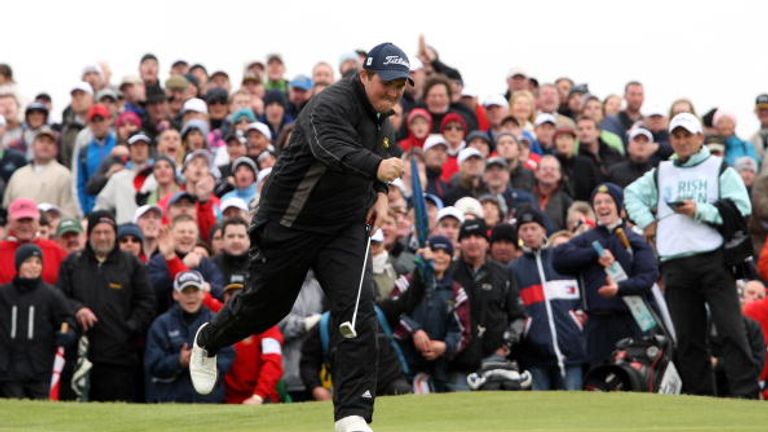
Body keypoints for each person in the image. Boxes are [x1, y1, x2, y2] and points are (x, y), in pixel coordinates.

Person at [190, 42, 409, 432]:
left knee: (358, 311)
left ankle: (352, 414)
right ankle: (209, 339)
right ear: (364, 76)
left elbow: (382, 153)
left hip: (343, 228)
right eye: (387, 84)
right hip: (290, 223)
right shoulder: (329, 105)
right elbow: (332, 149)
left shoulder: (383, 119)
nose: (393, 93)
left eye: (400, 86)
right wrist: (378, 169)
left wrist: (380, 196)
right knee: (265, 308)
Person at [624, 113, 759, 398]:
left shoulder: (719, 167)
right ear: (672, 139)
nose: (682, 141)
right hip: (674, 263)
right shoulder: (661, 171)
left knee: (731, 332)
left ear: (700, 138)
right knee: (687, 339)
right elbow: (631, 195)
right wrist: (646, 222)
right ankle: (701, 399)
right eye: (677, 136)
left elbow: (741, 207)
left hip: (714, 260)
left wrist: (699, 210)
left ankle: (747, 397)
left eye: (688, 135)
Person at [552, 183, 658, 367]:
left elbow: (647, 277)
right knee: (599, 378)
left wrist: (619, 288)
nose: (602, 206)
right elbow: (559, 258)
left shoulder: (634, 239)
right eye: (598, 202)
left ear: (619, 207)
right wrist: (594, 254)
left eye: (608, 201)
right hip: (597, 322)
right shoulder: (586, 239)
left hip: (631, 319)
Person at [57, 210, 156, 401]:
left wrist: (129, 328)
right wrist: (77, 309)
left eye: (107, 232)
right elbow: (60, 298)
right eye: (97, 232)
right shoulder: (73, 263)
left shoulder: (131, 264)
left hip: (119, 359)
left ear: (114, 234)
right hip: (78, 354)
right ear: (89, 235)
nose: (103, 237)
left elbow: (146, 302)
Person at [379, 235, 471, 392]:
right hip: (404, 364)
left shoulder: (457, 292)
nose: (440, 256)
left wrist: (444, 346)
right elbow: (390, 314)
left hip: (441, 367)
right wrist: (414, 330)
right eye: (435, 251)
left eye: (445, 252)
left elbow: (463, 331)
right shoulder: (405, 283)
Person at [509, 208, 586, 390]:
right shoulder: (514, 269)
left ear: (543, 230)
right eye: (524, 229)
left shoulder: (561, 259)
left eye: (533, 228)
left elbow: (582, 293)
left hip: (571, 350)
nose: (529, 233)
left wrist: (579, 319)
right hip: (535, 355)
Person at [145, 270, 234, 403]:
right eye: (186, 291)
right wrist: (179, 361)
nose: (191, 296)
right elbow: (152, 364)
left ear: (203, 293)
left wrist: (201, 362)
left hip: (208, 400)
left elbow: (227, 355)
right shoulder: (161, 324)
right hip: (170, 400)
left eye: (195, 290)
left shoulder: (216, 322)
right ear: (175, 294)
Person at [0, 244, 75, 399]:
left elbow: (67, 320)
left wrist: (67, 334)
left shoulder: (52, 295)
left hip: (40, 369)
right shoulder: (3, 294)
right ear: (18, 264)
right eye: (28, 261)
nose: (33, 266)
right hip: (7, 369)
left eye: (38, 262)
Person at [3, 127, 79, 218]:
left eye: (50, 142)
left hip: (49, 228)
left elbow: (69, 210)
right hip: (20, 227)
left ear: (56, 149)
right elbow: (7, 207)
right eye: (41, 141)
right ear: (32, 146)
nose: (45, 145)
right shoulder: (18, 175)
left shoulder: (64, 174)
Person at [0, 198, 68, 285]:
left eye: (29, 220)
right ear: (10, 221)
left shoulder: (55, 251)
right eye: (20, 220)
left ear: (37, 221)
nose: (25, 225)